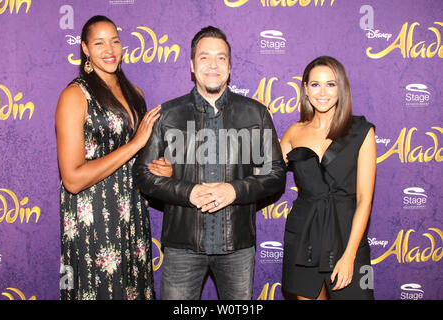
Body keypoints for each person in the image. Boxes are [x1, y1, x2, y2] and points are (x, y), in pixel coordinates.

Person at [133, 26, 286, 300]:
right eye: (204, 58)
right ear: (192, 65)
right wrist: (188, 192)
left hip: (237, 247)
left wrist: (234, 191)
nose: (213, 65)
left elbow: (276, 174)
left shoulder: (256, 114)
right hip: (182, 246)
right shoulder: (167, 115)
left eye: (221, 58)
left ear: (229, 65)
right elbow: (143, 175)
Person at [56, 15, 172, 300]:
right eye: (99, 43)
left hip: (131, 210)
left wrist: (161, 170)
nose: (109, 50)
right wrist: (134, 145)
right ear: (85, 48)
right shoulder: (74, 96)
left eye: (115, 41)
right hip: (92, 215)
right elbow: (72, 179)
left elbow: (141, 157)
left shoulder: (136, 94)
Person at [280, 56, 376, 300]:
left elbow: (365, 199)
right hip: (304, 235)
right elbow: (264, 173)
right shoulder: (294, 131)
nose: (322, 92)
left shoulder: (362, 131)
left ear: (341, 88)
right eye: (315, 84)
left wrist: (350, 254)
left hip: (347, 235)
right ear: (305, 89)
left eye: (331, 84)